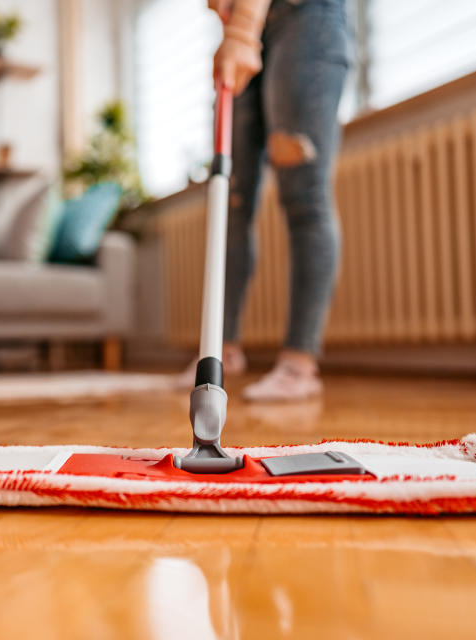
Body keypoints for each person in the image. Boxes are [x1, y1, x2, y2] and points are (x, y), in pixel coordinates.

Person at [186, 0, 349, 401]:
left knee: (303, 195)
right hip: (250, 20)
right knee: (232, 201)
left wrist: (242, 31)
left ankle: (299, 364)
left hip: (307, 15)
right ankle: (218, 353)